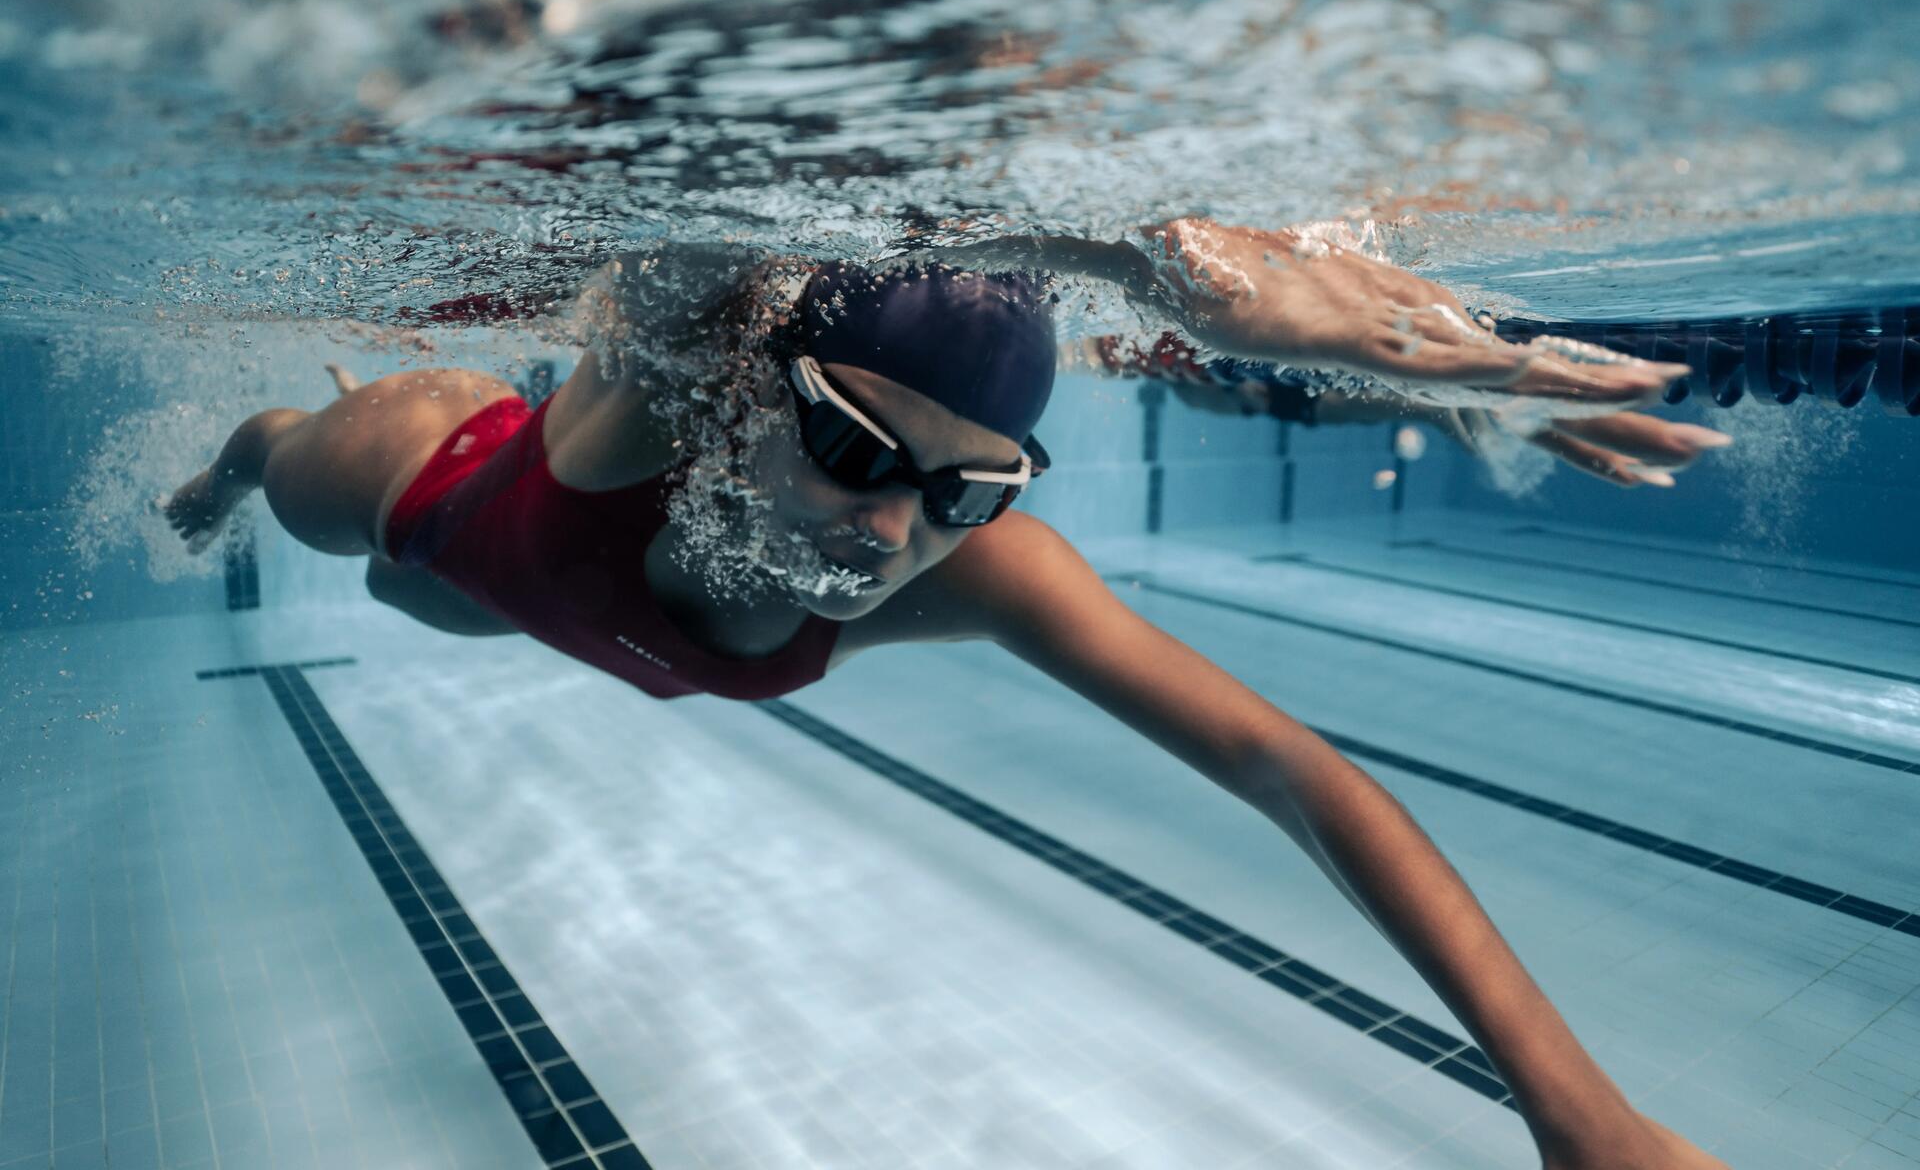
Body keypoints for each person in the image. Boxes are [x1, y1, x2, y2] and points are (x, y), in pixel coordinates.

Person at [165, 216, 1728, 1168]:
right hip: (446, 503)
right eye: (852, 447)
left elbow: (1286, 771)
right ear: (737, 399)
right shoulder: (647, 403)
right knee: (302, 488)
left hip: (549, 612)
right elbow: (735, 165)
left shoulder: (968, 578)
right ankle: (233, 462)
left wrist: (1577, 1114)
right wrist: (1180, 275)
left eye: (969, 489)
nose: (894, 527)